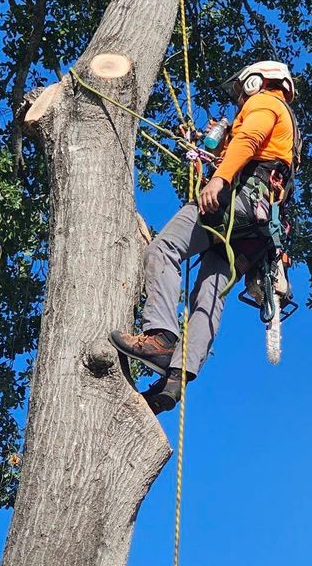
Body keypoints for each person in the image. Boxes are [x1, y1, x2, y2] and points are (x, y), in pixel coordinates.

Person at [110, 60, 299, 413]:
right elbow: (244, 146)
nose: (240, 99)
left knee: (163, 250)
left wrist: (219, 178)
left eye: (242, 91)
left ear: (258, 81)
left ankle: (160, 336)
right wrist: (206, 145)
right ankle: (176, 379)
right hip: (257, 231)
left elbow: (249, 138)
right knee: (210, 295)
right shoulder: (287, 130)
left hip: (236, 202)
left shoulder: (267, 103)